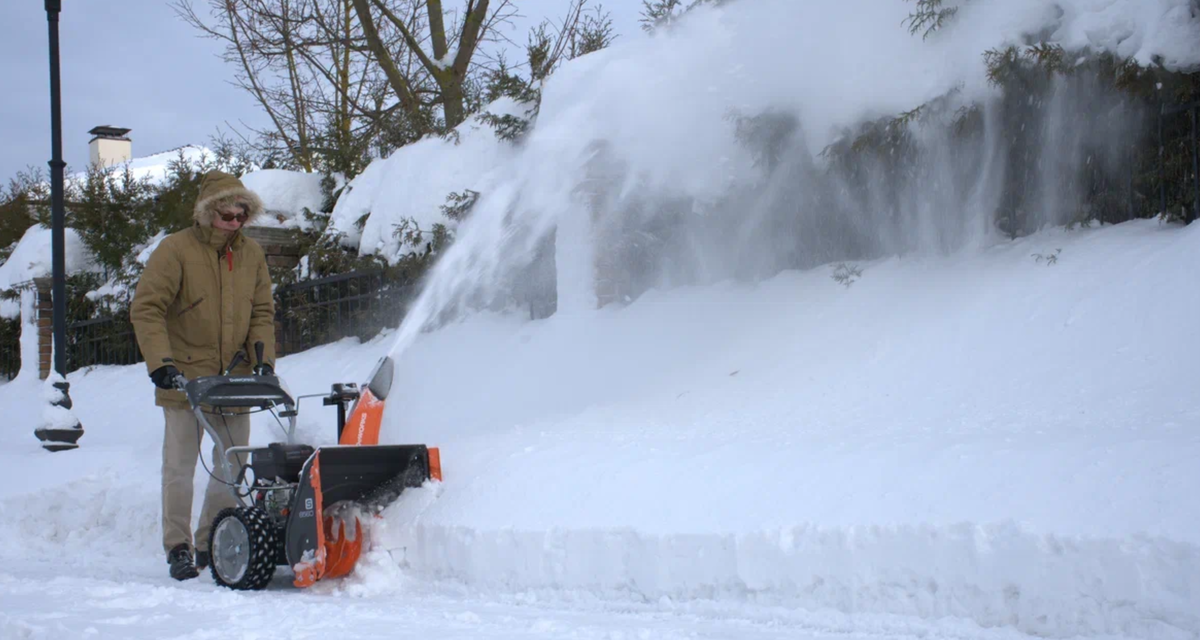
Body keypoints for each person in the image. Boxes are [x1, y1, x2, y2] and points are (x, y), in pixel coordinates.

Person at [130, 170, 276, 581]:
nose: (233, 223)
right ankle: (177, 546)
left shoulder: (252, 255)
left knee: (231, 464)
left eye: (240, 216)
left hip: (235, 378)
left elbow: (262, 313)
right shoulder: (175, 250)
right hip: (184, 378)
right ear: (208, 213)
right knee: (179, 467)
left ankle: (210, 539)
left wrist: (263, 360)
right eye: (226, 216)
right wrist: (161, 362)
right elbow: (147, 308)